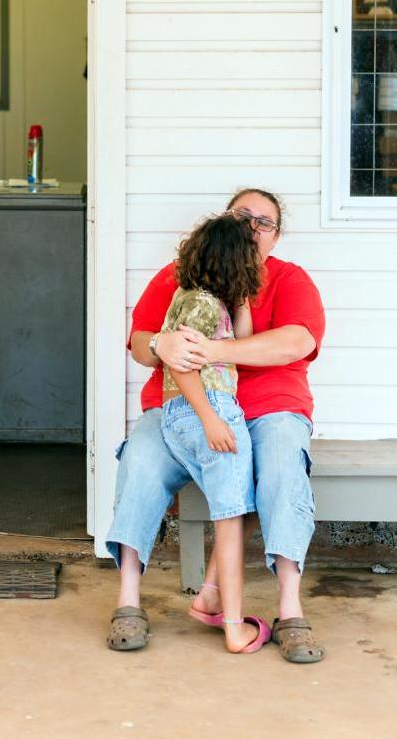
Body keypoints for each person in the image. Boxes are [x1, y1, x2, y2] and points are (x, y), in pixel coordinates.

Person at [105, 188, 326, 664]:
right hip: (182, 407)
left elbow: (295, 341)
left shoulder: (289, 279)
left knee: (282, 464)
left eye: (263, 221)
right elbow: (139, 341)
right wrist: (161, 346)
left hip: (269, 405)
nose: (251, 226)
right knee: (140, 459)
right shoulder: (182, 277)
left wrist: (216, 351)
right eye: (241, 215)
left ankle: (289, 608)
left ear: (277, 236)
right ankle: (128, 601)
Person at [157, 213, 270, 654]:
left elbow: (242, 340)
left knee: (237, 508)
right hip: (208, 407)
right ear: (237, 261)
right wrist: (210, 418)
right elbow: (180, 365)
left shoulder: (199, 300)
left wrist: (240, 299)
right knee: (229, 518)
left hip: (187, 413)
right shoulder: (202, 305)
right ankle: (234, 627)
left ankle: (208, 597)